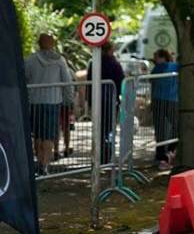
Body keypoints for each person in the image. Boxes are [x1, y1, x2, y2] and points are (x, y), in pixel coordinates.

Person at [25, 34, 74, 175]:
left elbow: (25, 79)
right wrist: (69, 100)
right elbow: (67, 82)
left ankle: (39, 161)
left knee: (38, 135)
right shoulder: (60, 61)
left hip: (34, 102)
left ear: (39, 44)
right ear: (52, 44)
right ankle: (44, 165)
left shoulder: (30, 60)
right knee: (49, 136)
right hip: (53, 102)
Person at [86, 40, 125, 164]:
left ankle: (98, 154)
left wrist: (89, 99)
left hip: (97, 99)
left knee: (98, 128)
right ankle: (107, 154)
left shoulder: (94, 63)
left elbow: (89, 82)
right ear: (111, 50)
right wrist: (119, 97)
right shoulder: (115, 64)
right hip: (111, 101)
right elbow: (121, 82)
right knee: (109, 129)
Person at [150, 49, 179, 170]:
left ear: (162, 57)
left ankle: (162, 155)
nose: (155, 61)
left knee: (160, 128)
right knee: (176, 127)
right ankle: (170, 151)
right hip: (172, 100)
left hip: (160, 100)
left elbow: (151, 79)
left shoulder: (159, 68)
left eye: (156, 58)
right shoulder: (176, 66)